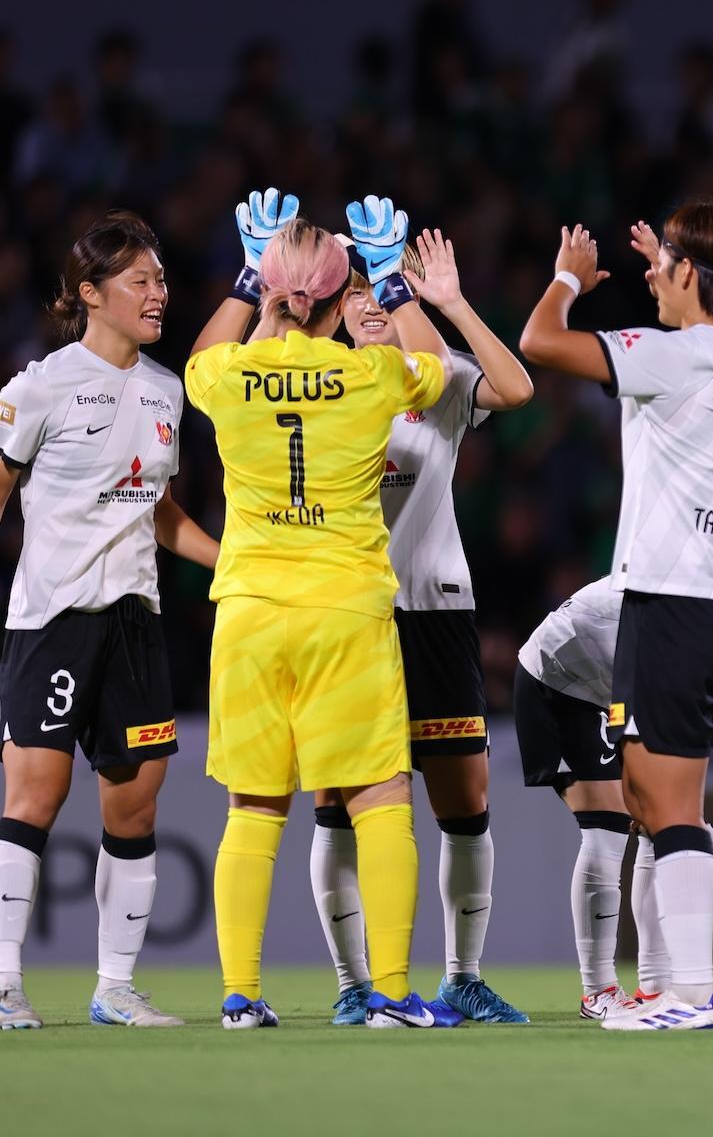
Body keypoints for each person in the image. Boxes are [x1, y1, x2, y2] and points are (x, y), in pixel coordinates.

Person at [0, 211, 216, 1030]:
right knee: (37, 794)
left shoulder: (168, 390)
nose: (159, 293)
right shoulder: (39, 386)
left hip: (136, 619)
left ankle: (115, 987)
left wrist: (231, 560)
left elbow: (159, 512)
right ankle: (3, 986)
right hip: (51, 617)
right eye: (142, 281)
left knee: (136, 809)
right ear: (92, 294)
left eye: (162, 279)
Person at [186, 190, 454, 1030]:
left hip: (251, 612)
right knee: (379, 799)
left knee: (253, 807)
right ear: (344, 304)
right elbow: (436, 366)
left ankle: (239, 996)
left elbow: (202, 357)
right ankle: (394, 992)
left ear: (272, 294)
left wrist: (249, 276)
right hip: (345, 609)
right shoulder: (371, 373)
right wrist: (392, 278)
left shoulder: (228, 376)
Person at [519, 199, 713, 1031]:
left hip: (674, 601)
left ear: (691, 274)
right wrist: (672, 270)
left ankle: (688, 994)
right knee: (647, 795)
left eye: (662, 266)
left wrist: (568, 278)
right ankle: (679, 985)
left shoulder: (670, 357)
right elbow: (691, 327)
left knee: (667, 810)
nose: (648, 279)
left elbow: (539, 342)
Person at [307, 229, 535, 1026]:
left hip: (435, 608)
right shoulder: (316, 384)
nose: (370, 303)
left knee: (465, 802)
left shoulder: (434, 384)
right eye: (355, 291)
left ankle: (462, 977)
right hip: (347, 615)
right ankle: (351, 982)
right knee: (339, 804)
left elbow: (517, 388)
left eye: (381, 285)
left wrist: (448, 301)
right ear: (333, 307)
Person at [514, 490, 713, 1018]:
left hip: (626, 679)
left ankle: (659, 986)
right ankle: (605, 990)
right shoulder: (708, 585)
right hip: (562, 678)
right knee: (611, 831)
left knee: (661, 821)